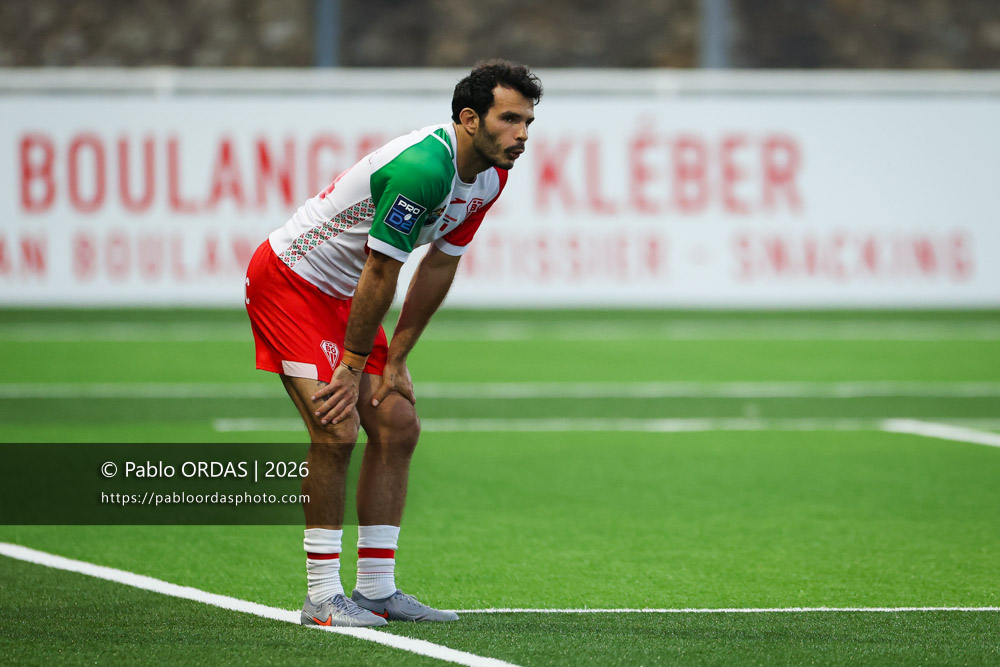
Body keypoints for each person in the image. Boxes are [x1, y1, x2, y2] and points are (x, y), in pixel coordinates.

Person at [244, 60, 542, 627]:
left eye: (528, 121)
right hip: (293, 281)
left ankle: (377, 589)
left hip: (349, 297)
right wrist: (354, 367)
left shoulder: (492, 175)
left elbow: (440, 263)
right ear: (470, 119)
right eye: (510, 119)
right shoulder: (422, 168)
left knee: (397, 424)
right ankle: (322, 597)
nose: (522, 134)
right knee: (335, 428)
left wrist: (398, 357)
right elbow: (382, 270)